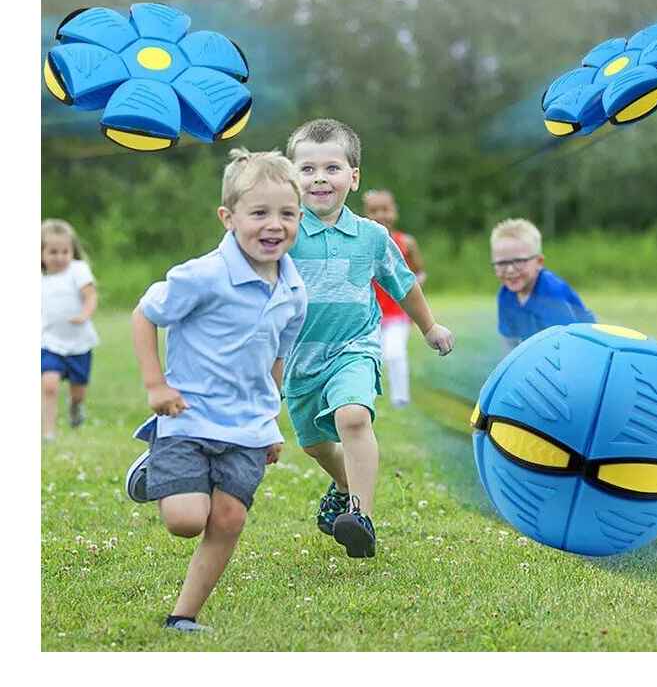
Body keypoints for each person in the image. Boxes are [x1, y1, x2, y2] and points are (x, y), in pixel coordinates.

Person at [124, 149, 307, 632]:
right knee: (186, 519)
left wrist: (271, 425)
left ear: (300, 218)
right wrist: (155, 384)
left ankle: (182, 616)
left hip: (248, 426)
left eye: (286, 213)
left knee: (227, 520)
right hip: (189, 416)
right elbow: (145, 314)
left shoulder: (293, 290)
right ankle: (159, 464)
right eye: (259, 213)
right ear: (228, 218)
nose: (274, 225)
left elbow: (276, 361)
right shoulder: (202, 275)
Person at [283, 118, 454, 559]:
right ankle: (342, 483)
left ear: (353, 178)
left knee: (354, 417)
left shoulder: (372, 237)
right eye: (307, 169)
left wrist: (430, 326)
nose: (320, 177)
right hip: (300, 359)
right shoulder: (282, 233)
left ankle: (360, 517)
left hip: (353, 348)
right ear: (291, 176)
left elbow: (405, 284)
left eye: (332, 168)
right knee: (315, 444)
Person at [362, 189, 427, 408]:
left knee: (395, 353)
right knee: (372, 356)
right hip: (371, 314)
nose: (381, 215)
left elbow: (419, 273)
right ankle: (367, 397)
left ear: (395, 211)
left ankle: (400, 398)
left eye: (386, 209)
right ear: (365, 214)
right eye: (374, 211)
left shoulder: (406, 242)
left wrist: (410, 293)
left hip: (399, 313)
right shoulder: (363, 243)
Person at [490, 218, 596, 353]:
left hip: (584, 350)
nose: (510, 270)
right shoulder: (505, 295)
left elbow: (570, 346)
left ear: (539, 262)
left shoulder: (551, 293)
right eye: (501, 263)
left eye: (519, 261)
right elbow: (509, 341)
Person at [41, 219, 99, 440]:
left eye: (65, 251)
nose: (59, 256)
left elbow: (91, 295)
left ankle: (76, 407)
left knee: (78, 390)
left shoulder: (78, 270)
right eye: (53, 252)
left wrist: (85, 314)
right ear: (41, 253)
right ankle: (48, 432)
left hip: (79, 342)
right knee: (49, 385)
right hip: (49, 341)